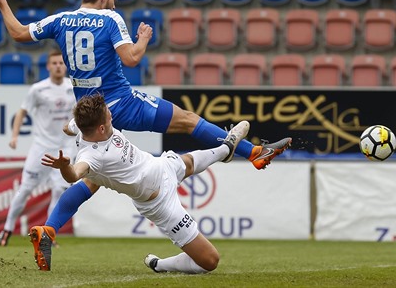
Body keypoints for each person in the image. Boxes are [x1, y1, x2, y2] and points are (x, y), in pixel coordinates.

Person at [0, 0, 291, 267]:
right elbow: (132, 58)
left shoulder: (61, 19)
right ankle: (255, 153)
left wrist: (2, 3)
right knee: (189, 120)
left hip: (90, 116)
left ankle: (49, 228)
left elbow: (17, 33)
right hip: (120, 102)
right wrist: (143, 38)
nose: (114, 1)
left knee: (92, 180)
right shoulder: (109, 18)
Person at [36, 94, 249, 273]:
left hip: (161, 165)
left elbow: (68, 127)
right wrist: (64, 165)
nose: (112, 115)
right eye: (109, 116)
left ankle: (226, 149)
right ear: (101, 128)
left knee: (189, 163)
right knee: (210, 261)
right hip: (160, 201)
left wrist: (70, 126)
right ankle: (161, 265)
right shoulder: (92, 156)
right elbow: (74, 175)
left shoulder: (85, 126)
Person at [0, 49, 76, 247]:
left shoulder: (73, 87)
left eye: (61, 63)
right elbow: (22, 112)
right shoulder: (38, 89)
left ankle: (49, 234)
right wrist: (14, 136)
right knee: (25, 190)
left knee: (59, 191)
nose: (58, 66)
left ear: (65, 65)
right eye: (54, 63)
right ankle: (7, 229)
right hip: (41, 147)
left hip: (65, 147)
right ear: (48, 66)